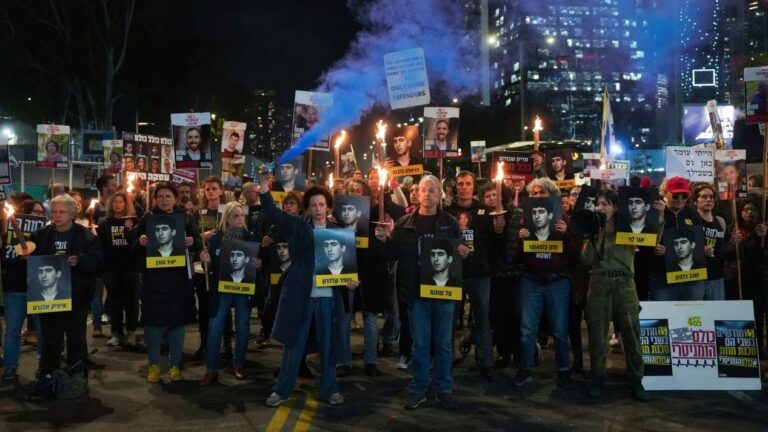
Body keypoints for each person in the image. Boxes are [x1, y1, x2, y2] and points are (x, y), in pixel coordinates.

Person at [260, 173, 355, 408]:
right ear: (308, 208)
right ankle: (282, 390)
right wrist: (264, 186)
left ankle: (330, 389)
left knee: (328, 345)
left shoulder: (338, 232)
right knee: (293, 344)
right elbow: (272, 213)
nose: (318, 209)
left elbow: (346, 267)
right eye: (313, 205)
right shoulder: (297, 226)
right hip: (301, 295)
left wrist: (349, 281)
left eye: (321, 204)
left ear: (328, 207)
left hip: (328, 298)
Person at [374, 175, 466, 410]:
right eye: (423, 190)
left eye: (432, 190)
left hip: (443, 294)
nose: (427, 194)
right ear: (417, 194)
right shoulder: (404, 223)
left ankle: (443, 388)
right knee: (420, 344)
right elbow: (392, 254)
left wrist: (465, 252)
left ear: (440, 195)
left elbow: (460, 252)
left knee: (443, 344)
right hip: (416, 294)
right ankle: (418, 389)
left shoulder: (450, 223)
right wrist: (382, 241)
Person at [581, 190, 650, 402]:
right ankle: (597, 379)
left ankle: (637, 380)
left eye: (606, 204)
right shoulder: (592, 228)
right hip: (599, 283)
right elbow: (586, 260)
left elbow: (651, 237)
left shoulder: (628, 228)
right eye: (598, 204)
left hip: (624, 283)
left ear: (615, 207)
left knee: (631, 333)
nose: (600, 207)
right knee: (597, 335)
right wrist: (592, 235)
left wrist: (659, 218)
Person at [30, 194, 102, 396]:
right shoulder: (41, 235)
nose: (57, 215)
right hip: (49, 299)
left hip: (76, 297)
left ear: (72, 214)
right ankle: (47, 379)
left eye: (62, 212)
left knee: (75, 340)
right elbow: (32, 257)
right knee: (50, 341)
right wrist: (28, 257)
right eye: (54, 212)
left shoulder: (86, 236)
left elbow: (98, 263)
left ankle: (76, 379)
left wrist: (81, 260)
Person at [134, 182, 202, 383]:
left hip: (178, 280)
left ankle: (174, 366)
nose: (164, 200)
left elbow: (198, 243)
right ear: (155, 199)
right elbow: (133, 247)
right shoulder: (148, 218)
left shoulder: (185, 218)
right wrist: (140, 241)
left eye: (168, 196)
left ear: (175, 199)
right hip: (154, 281)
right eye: (160, 197)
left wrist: (192, 242)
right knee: (153, 324)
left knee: (177, 323)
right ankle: (154, 365)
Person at [513, 177, 573, 387]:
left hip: (557, 281)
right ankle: (525, 368)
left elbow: (574, 254)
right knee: (527, 329)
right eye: (534, 193)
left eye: (542, 193)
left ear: (552, 196)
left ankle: (563, 370)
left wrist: (567, 235)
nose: (537, 196)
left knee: (560, 330)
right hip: (531, 280)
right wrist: (520, 240)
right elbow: (518, 256)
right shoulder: (525, 219)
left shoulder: (563, 219)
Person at [446, 171, 504, 381]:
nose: (464, 187)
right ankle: (446, 360)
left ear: (473, 187)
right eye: (460, 183)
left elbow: (494, 242)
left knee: (483, 320)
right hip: (453, 274)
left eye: (468, 184)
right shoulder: (447, 212)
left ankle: (486, 363)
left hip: (479, 273)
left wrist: (499, 229)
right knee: (449, 319)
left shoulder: (485, 212)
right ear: (456, 187)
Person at [199, 202, 258, 385]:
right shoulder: (216, 239)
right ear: (227, 219)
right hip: (220, 288)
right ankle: (212, 369)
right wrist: (205, 260)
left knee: (242, 327)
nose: (240, 219)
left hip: (242, 288)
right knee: (215, 328)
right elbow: (208, 267)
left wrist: (258, 264)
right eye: (235, 216)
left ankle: (239, 364)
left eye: (241, 216)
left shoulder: (250, 238)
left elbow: (256, 265)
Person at [96, 191, 139, 347]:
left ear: (126, 204)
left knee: (131, 301)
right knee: (114, 302)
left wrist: (130, 230)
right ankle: (116, 333)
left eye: (121, 201)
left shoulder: (134, 222)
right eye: (115, 202)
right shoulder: (104, 224)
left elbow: (137, 244)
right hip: (111, 268)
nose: (118, 204)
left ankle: (131, 332)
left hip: (130, 266)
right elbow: (100, 246)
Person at [651, 176, 704, 301]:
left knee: (693, 312)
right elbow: (644, 241)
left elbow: (700, 239)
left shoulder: (692, 213)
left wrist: (704, 248)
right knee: (663, 313)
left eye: (684, 196)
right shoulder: (656, 211)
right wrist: (653, 248)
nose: (680, 200)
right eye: (675, 196)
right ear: (666, 193)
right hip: (663, 278)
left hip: (692, 278)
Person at [691, 184, 729, 300]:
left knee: (716, 311)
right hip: (695, 278)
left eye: (711, 197)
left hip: (716, 277)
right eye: (704, 196)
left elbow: (721, 249)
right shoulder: (690, 221)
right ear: (695, 201)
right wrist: (699, 252)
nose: (708, 199)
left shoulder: (721, 221)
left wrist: (732, 243)